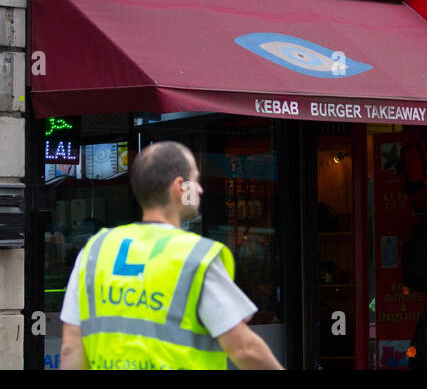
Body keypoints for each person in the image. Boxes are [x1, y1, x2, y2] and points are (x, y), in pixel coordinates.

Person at [60, 140, 283, 370]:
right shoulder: (194, 257)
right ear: (180, 187)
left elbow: (70, 348)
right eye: (195, 180)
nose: (200, 189)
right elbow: (244, 349)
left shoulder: (96, 250)